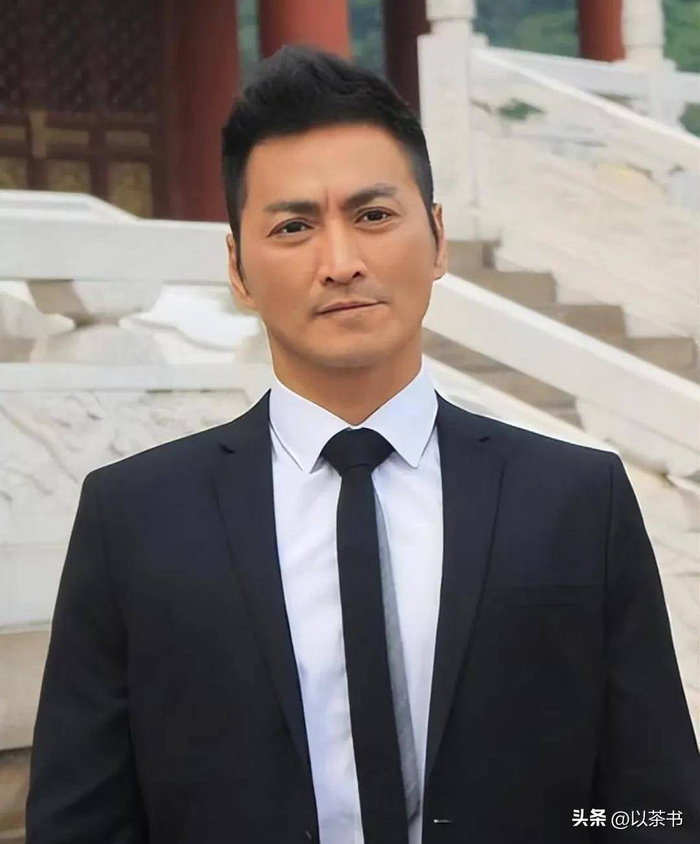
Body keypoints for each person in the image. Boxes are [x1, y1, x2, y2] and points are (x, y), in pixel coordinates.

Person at [25, 45, 700, 844]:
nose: (341, 263)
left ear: (439, 238)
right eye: (293, 227)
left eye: (374, 216)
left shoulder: (577, 500)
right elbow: (82, 820)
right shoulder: (134, 518)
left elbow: (656, 808)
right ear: (237, 269)